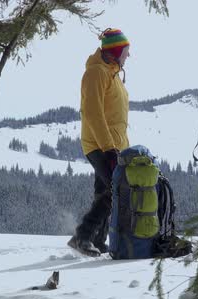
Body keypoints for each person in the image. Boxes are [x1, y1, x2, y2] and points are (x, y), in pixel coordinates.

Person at [68, 28, 131, 256]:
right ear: (115, 51)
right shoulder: (96, 73)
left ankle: (98, 240)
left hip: (114, 145)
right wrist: (109, 148)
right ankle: (82, 236)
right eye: (125, 51)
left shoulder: (112, 73)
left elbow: (116, 116)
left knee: (105, 190)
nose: (128, 56)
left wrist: (121, 148)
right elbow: (93, 113)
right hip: (99, 144)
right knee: (115, 190)